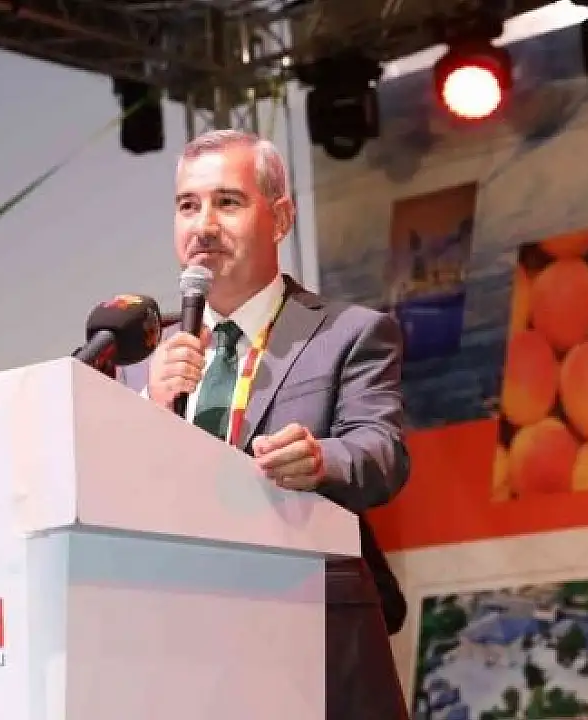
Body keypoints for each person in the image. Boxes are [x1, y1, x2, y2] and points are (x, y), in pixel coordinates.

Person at [115, 129, 411, 719]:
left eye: (227, 202)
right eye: (188, 205)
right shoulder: (137, 358)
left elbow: (382, 451)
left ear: (280, 218)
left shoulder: (348, 334)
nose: (203, 225)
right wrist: (149, 406)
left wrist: (321, 459)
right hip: (169, 653)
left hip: (307, 648)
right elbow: (106, 484)